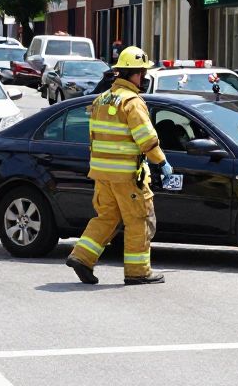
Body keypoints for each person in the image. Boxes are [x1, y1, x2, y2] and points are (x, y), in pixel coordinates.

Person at [66, 46, 173, 286]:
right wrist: (162, 162)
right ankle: (138, 272)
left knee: (106, 217)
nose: (144, 78)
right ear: (133, 74)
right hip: (126, 177)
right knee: (139, 220)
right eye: (142, 73)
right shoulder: (132, 102)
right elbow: (146, 139)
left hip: (103, 174)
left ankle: (81, 257)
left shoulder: (101, 99)